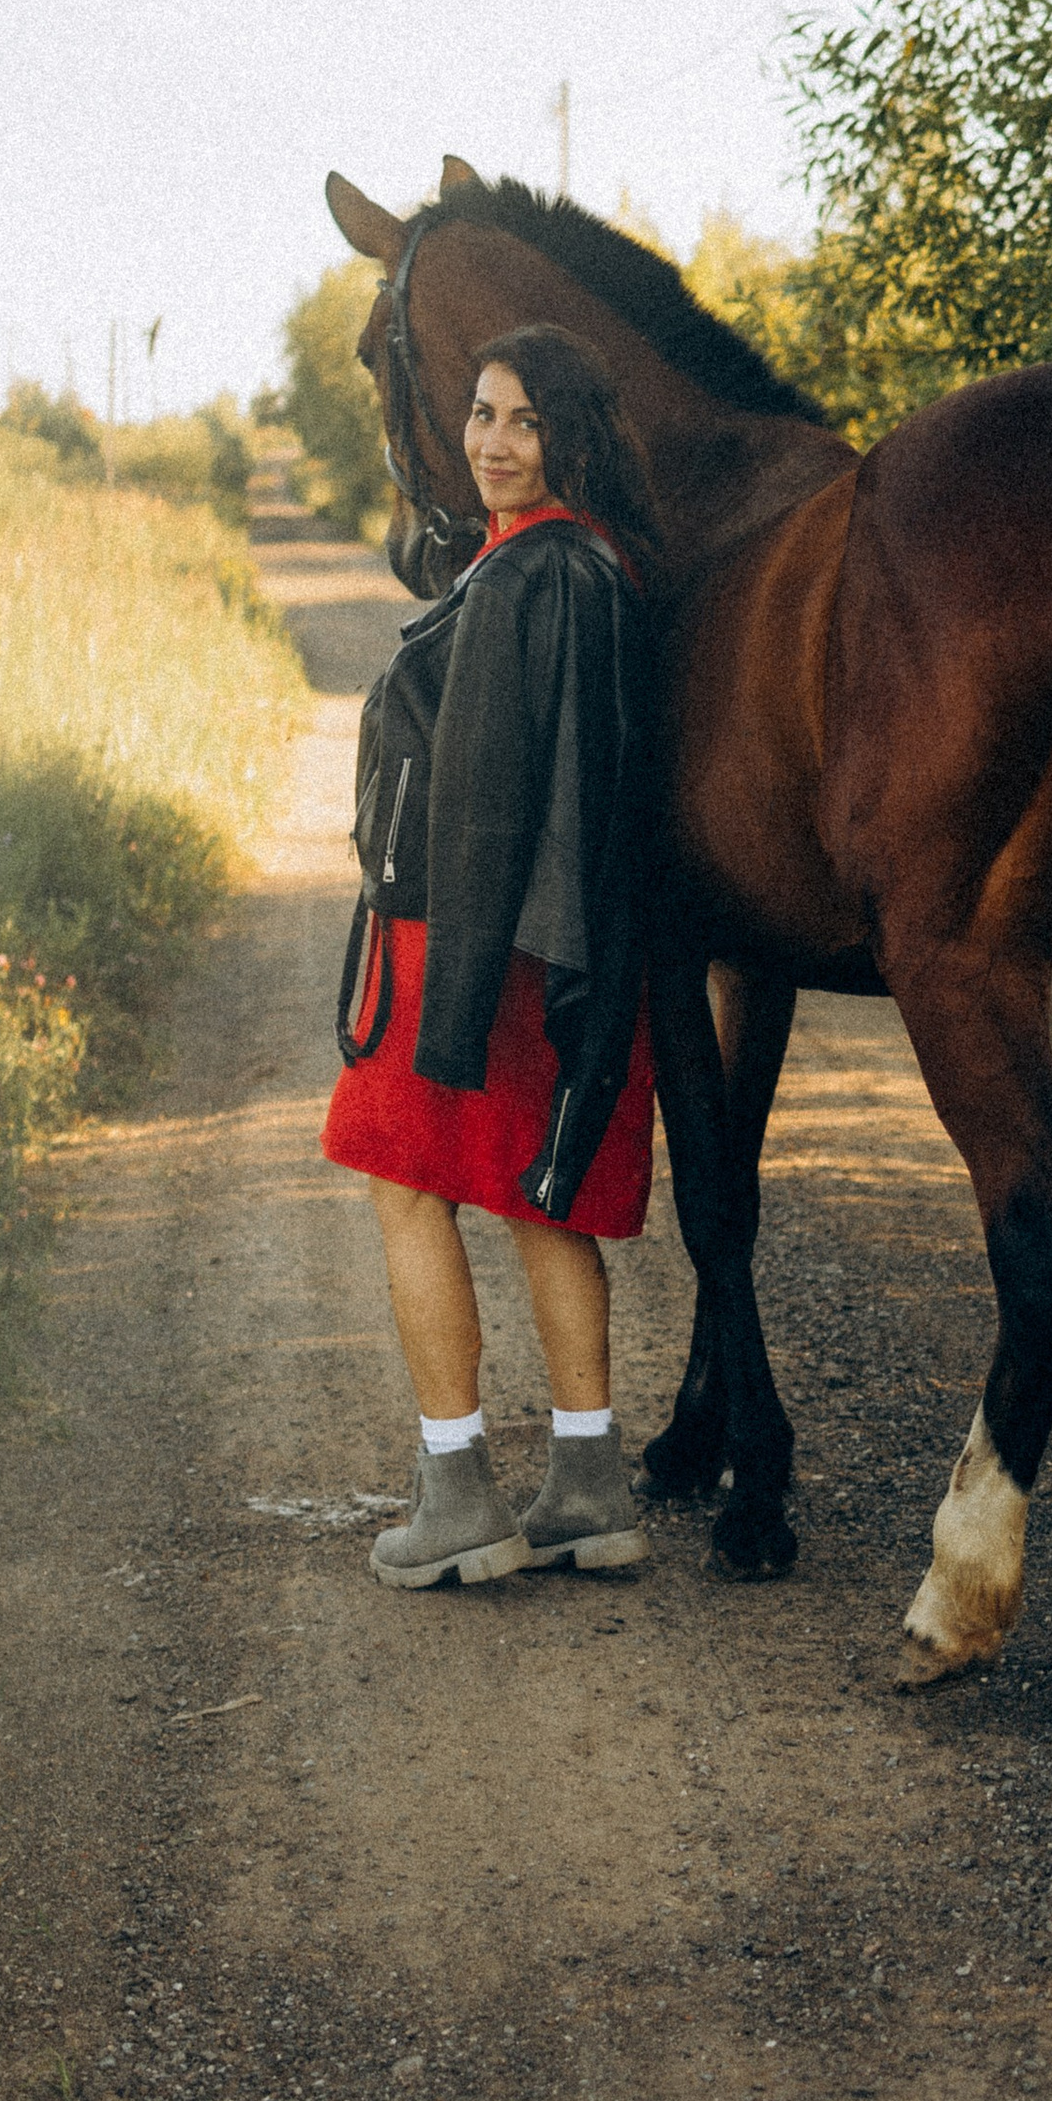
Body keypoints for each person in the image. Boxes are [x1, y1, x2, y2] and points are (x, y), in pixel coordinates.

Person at [324, 324, 657, 1588]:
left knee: (405, 1186)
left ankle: (457, 1491)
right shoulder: (587, 564)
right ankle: (588, 1484)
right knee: (538, 1196)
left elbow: (487, 805)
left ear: (569, 436)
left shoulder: (531, 579)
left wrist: (456, 997)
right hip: (549, 948)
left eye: (524, 421)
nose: (493, 443)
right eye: (478, 414)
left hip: (466, 943)